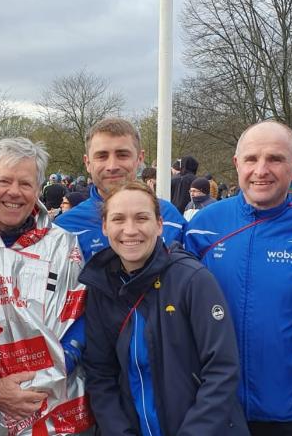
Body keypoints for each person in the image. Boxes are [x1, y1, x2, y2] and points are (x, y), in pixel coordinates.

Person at [185, 120, 292, 436]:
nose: (261, 170)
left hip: (291, 415)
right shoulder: (202, 226)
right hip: (215, 409)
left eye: (275, 159)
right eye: (251, 159)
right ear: (237, 164)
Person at [81, 180, 249, 435]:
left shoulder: (192, 280)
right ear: (105, 226)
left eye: (141, 218)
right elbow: (100, 373)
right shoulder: (101, 287)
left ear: (159, 224)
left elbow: (222, 370)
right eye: (118, 219)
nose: (130, 230)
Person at [0, 138, 92, 435]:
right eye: (4, 181)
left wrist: (55, 370)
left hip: (57, 409)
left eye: (25, 183)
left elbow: (82, 315)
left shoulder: (64, 245)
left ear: (38, 189)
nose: (14, 192)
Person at [55, 117, 187, 261]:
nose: (112, 166)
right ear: (87, 163)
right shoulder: (64, 228)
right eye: (102, 156)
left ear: (140, 158)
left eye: (122, 155)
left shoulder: (170, 217)